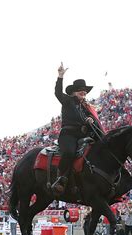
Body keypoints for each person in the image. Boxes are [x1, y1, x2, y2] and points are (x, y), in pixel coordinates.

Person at [51, 62, 104, 194]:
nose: (84, 91)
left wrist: (91, 121)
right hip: (68, 135)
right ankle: (61, 177)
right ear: (74, 92)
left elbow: (94, 125)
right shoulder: (68, 101)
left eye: (85, 90)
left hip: (83, 136)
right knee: (69, 152)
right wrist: (60, 76)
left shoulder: (86, 108)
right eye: (81, 89)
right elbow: (58, 93)